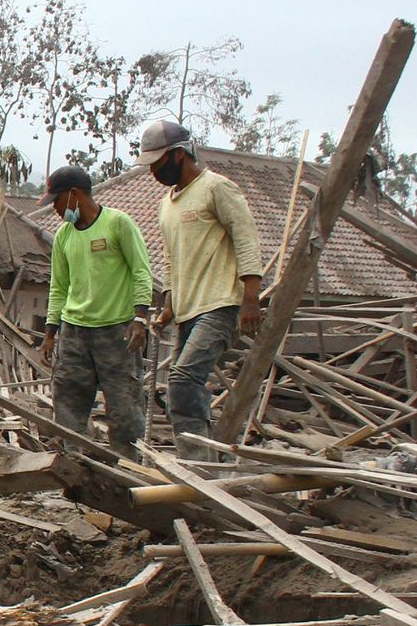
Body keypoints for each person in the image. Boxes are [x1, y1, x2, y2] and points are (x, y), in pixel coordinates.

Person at [137, 120, 263, 454]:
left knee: (182, 380)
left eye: (158, 163)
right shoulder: (167, 205)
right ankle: (204, 459)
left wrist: (251, 296)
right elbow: (170, 258)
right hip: (187, 309)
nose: (153, 173)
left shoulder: (216, 188)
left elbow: (246, 238)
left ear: (179, 155)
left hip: (220, 303)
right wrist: (168, 304)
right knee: (182, 388)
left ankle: (196, 465)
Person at [38, 165, 154, 452]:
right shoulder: (64, 237)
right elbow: (58, 287)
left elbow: (141, 271)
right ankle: (71, 465)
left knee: (124, 406)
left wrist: (140, 317)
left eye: (57, 201)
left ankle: (127, 471)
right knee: (68, 402)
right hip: (75, 332)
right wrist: (51, 331)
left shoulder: (117, 223)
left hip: (117, 331)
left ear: (75, 195)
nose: (55, 209)